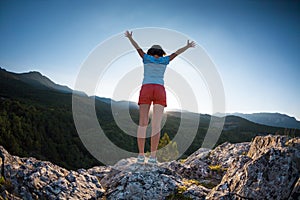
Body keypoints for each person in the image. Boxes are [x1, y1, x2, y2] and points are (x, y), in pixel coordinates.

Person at [125, 30, 195, 164]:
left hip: (146, 88)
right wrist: (187, 46)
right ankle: (152, 157)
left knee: (142, 123)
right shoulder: (164, 60)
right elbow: (177, 53)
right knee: (156, 125)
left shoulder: (146, 58)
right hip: (159, 90)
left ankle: (140, 156)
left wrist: (130, 38)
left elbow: (137, 48)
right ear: (161, 52)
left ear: (150, 51)